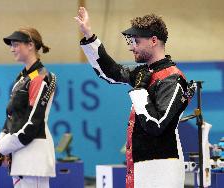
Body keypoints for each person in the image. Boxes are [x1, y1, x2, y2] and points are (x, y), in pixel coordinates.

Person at [75, 7, 194, 188]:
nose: (131, 46)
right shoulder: (146, 72)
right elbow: (111, 72)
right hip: (143, 166)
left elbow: (155, 124)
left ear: (153, 40)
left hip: (162, 169)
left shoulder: (173, 78)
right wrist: (89, 36)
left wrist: (139, 90)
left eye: (136, 41)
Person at [0, 26, 56, 188]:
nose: (12, 49)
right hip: (21, 158)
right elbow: (11, 117)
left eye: (16, 44)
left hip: (33, 158)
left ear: (30, 45)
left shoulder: (41, 76)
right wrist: (2, 146)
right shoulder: (23, 78)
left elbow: (32, 125)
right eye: (11, 45)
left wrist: (2, 148)